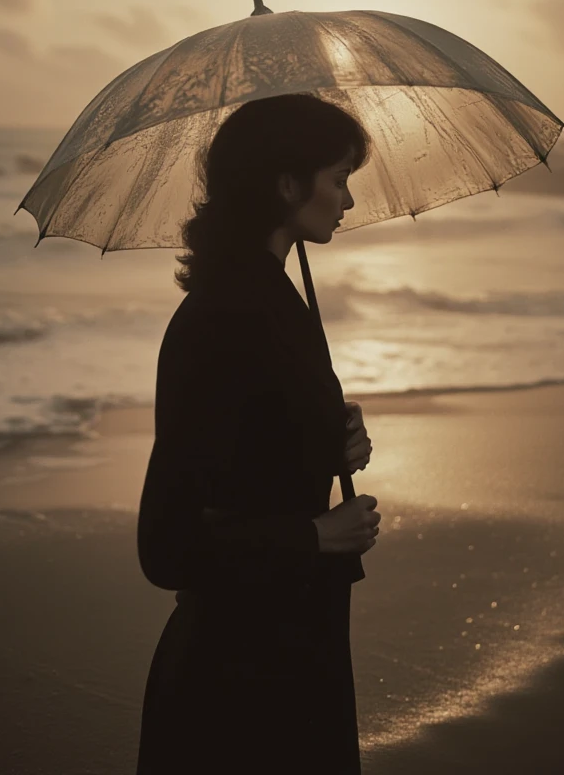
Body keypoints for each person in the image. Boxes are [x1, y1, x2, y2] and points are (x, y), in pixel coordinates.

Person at [135, 93, 381, 774]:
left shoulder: (272, 299)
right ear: (286, 185)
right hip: (238, 688)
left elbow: (252, 449)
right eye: (339, 179)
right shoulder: (222, 318)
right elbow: (166, 545)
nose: (348, 202)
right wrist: (316, 535)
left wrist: (329, 436)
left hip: (289, 654)